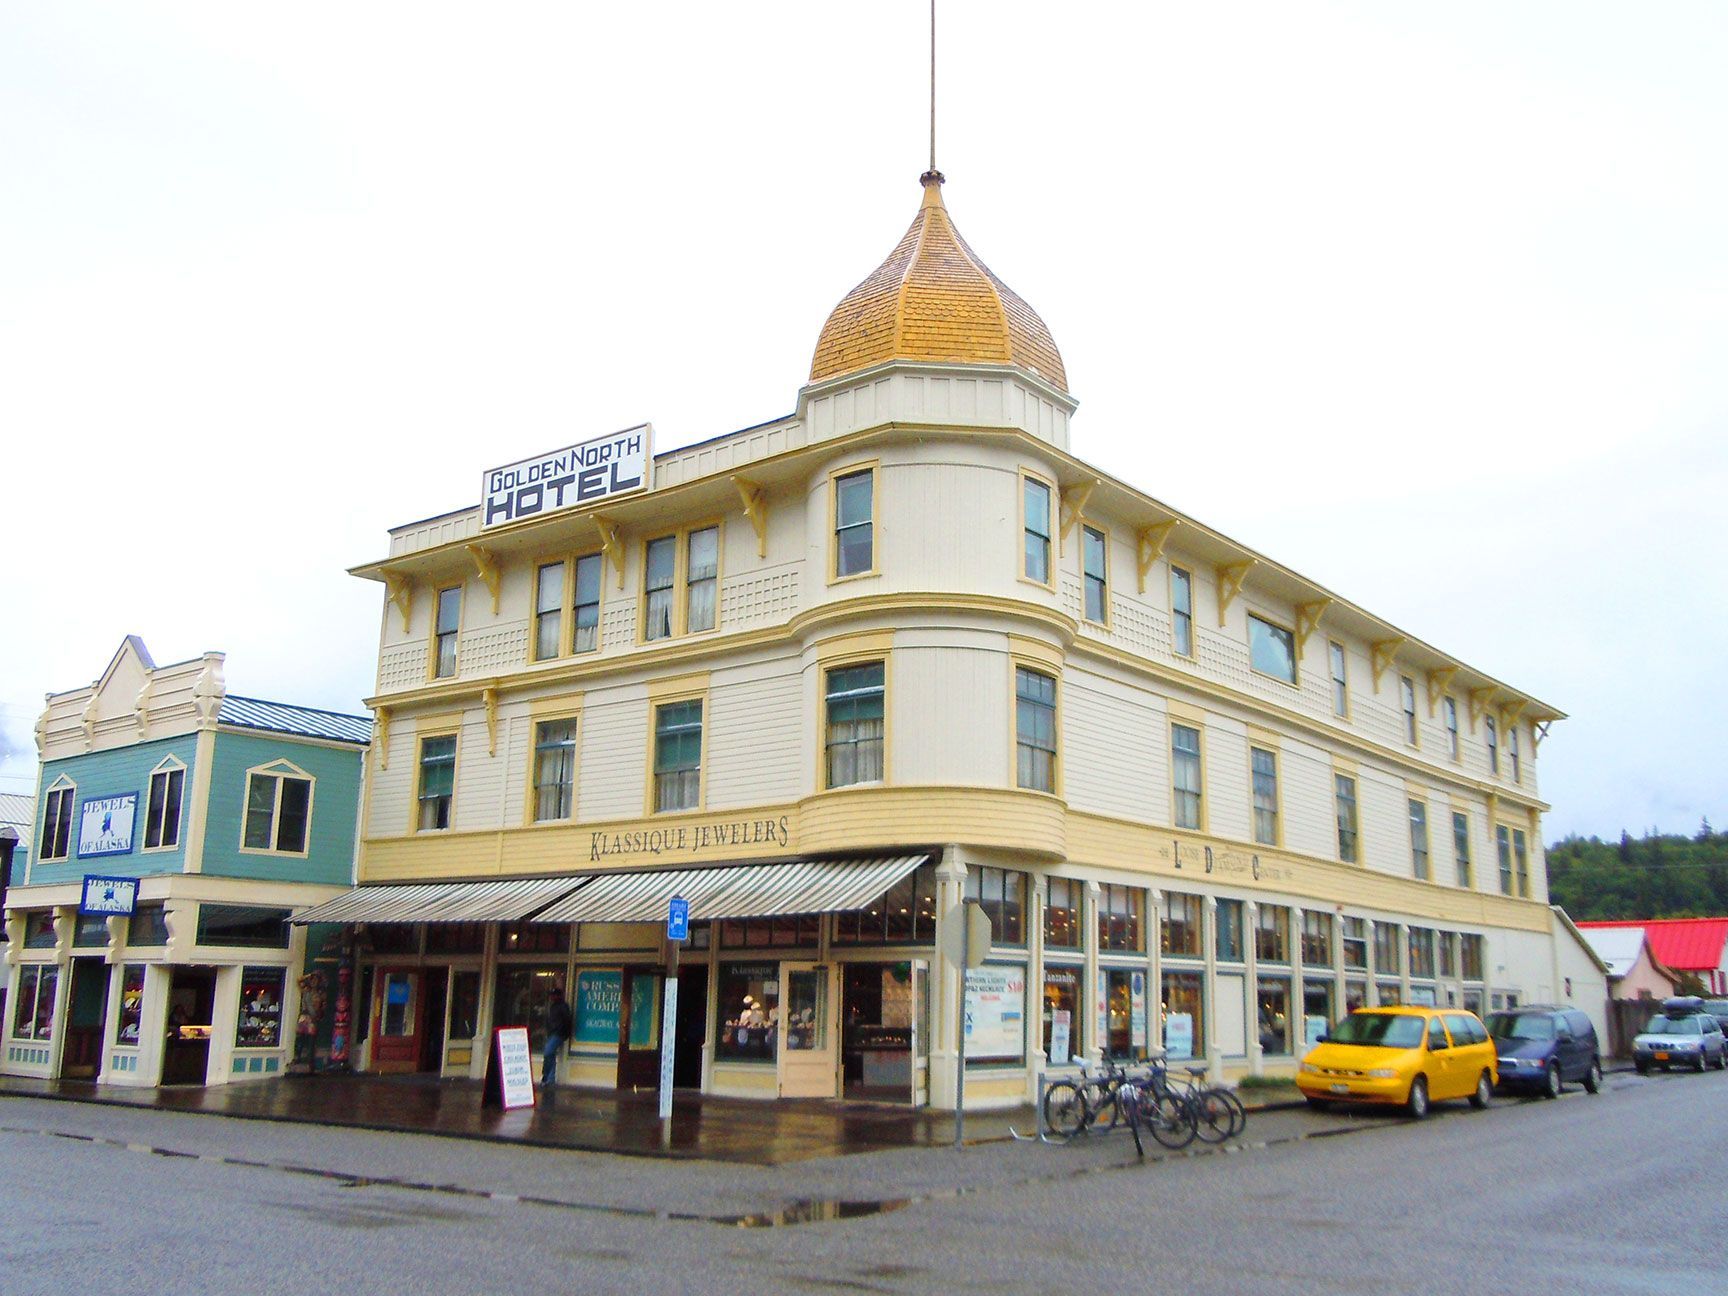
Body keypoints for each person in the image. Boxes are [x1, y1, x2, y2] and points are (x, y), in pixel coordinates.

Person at [542, 988, 573, 1086]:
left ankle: (548, 1077)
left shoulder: (563, 1006)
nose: (551, 997)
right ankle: (550, 1078)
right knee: (550, 1054)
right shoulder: (553, 1006)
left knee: (548, 1052)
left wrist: (561, 1030)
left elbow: (567, 1020)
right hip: (553, 1033)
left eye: (553, 995)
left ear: (558, 996)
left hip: (558, 1034)